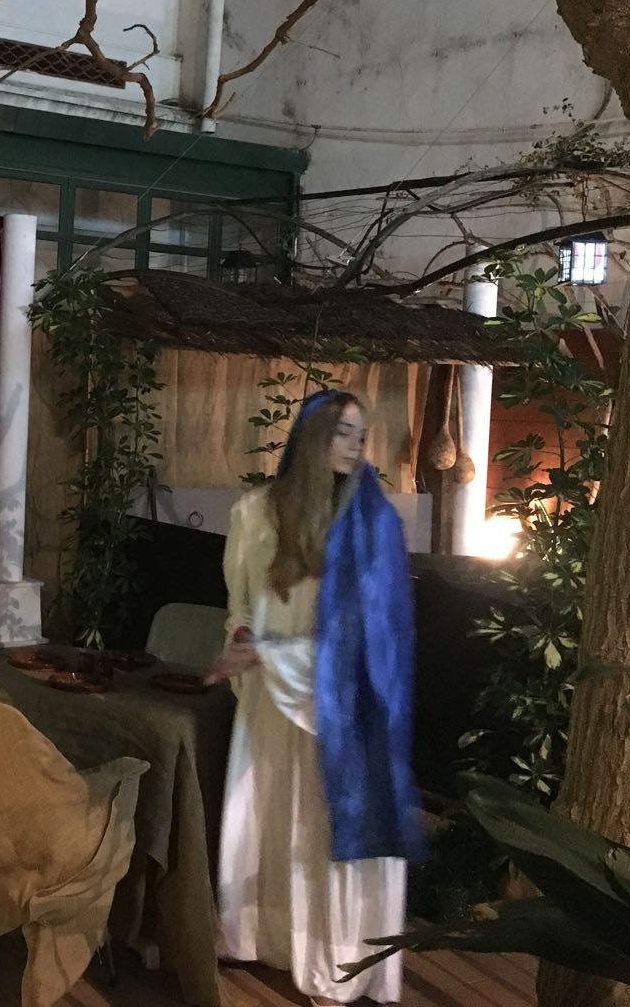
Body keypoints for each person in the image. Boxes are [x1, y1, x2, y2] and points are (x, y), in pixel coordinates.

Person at [205, 389, 424, 1005]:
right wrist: (243, 640)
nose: (356, 447)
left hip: (340, 709)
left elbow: (372, 636)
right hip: (269, 702)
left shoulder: (372, 522)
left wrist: (269, 655)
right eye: (343, 433)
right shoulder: (253, 513)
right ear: (311, 438)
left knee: (321, 833)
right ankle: (263, 936)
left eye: (361, 435)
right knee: (268, 818)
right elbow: (240, 603)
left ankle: (337, 960)